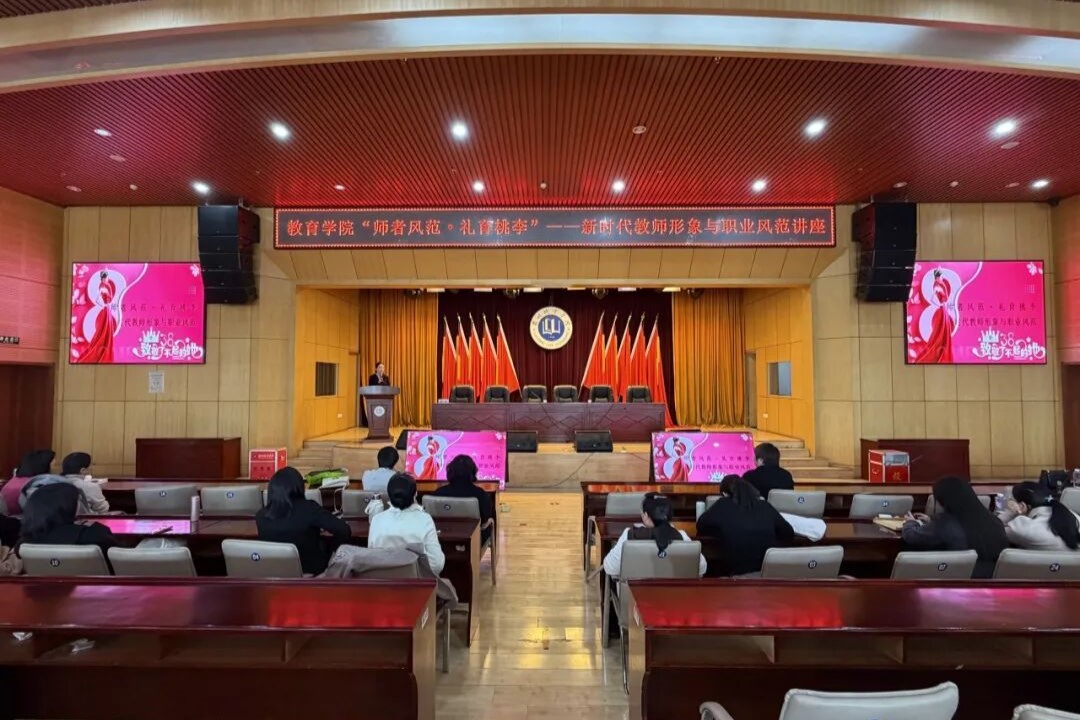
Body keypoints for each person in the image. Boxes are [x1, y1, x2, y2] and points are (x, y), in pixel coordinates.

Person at [902, 476, 1008, 578]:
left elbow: (911, 536)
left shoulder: (944, 523)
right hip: (993, 582)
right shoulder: (994, 521)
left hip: (956, 581)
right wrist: (931, 520)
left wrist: (910, 522)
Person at [255, 466, 351, 575]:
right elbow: (344, 529)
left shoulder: (260, 516)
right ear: (299, 486)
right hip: (312, 572)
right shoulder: (309, 509)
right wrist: (334, 554)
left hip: (274, 574)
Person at [696, 475, 795, 576]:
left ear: (724, 494)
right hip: (767, 573)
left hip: (736, 574)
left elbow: (701, 525)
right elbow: (788, 532)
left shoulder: (723, 504)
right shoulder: (764, 505)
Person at [602, 493, 706, 578]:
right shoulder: (682, 537)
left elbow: (609, 567)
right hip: (674, 597)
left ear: (646, 515)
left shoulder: (629, 536)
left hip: (634, 597)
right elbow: (702, 568)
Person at [369, 473, 445, 574]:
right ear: (415, 494)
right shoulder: (424, 519)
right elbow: (437, 565)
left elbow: (371, 559)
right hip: (415, 581)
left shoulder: (377, 520)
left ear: (389, 496)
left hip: (383, 581)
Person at [19, 482, 118, 556]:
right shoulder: (96, 535)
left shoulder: (24, 543)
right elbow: (120, 557)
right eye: (78, 500)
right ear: (69, 506)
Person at [996, 481, 1080, 551]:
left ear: (1022, 506)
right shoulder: (1073, 516)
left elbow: (994, 528)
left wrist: (1011, 512)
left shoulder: (1021, 528)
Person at [432, 455, 494, 545]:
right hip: (473, 542)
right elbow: (485, 519)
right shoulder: (480, 494)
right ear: (473, 472)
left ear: (450, 471)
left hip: (443, 541)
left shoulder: (438, 493)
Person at [1, 449, 55, 514]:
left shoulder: (14, 479)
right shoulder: (34, 484)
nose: (54, 468)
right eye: (52, 465)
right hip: (17, 516)